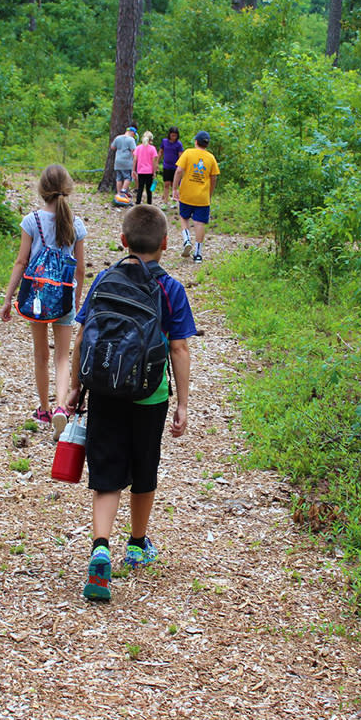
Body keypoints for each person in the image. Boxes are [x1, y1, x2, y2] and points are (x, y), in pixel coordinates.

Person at [67, 205, 196, 602]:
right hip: (149, 394)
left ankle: (100, 547)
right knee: (144, 465)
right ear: (165, 244)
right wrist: (183, 404)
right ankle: (137, 545)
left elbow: (82, 336)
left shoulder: (106, 278)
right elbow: (179, 348)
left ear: (122, 241)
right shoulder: (171, 289)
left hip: (105, 389)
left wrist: (75, 387)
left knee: (106, 470)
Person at [0, 164, 87, 440]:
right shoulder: (76, 224)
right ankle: (62, 406)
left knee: (41, 355)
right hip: (63, 296)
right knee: (63, 357)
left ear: (42, 190)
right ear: (68, 188)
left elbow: (21, 261)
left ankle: (45, 409)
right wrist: (77, 296)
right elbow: (80, 268)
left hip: (36, 297)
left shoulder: (31, 221)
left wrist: (8, 298)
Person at [172, 130, 219, 264]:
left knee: (184, 217)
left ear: (196, 142)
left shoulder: (188, 153)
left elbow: (179, 171)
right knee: (199, 223)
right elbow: (214, 177)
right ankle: (198, 254)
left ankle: (186, 239)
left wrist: (175, 188)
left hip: (187, 193)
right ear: (207, 144)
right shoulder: (211, 158)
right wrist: (209, 193)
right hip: (202, 196)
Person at [132, 131, 160, 205]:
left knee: (140, 188)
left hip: (140, 171)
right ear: (151, 139)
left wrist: (133, 170)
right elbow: (154, 162)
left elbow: (135, 160)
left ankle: (137, 203)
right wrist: (154, 172)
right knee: (149, 189)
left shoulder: (138, 148)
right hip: (149, 172)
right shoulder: (152, 149)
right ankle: (149, 204)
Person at [109, 125, 137, 197]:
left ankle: (119, 193)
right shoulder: (131, 140)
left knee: (119, 178)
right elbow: (134, 151)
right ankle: (124, 190)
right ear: (132, 133)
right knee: (128, 177)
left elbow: (112, 147)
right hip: (127, 162)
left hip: (118, 161)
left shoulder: (118, 138)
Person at [159, 126, 184, 207]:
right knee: (166, 184)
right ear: (169, 134)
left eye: (175, 135)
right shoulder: (164, 141)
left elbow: (181, 156)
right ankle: (165, 202)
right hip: (166, 166)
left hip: (175, 167)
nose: (173, 137)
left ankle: (174, 201)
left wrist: (181, 167)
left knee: (174, 185)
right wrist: (156, 163)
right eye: (172, 135)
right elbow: (160, 152)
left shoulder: (179, 144)